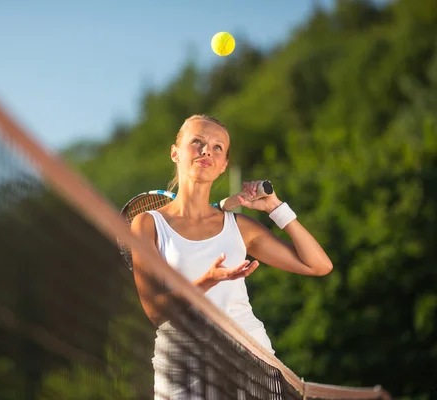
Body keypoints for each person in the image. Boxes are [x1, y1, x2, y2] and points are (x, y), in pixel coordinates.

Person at [129, 114, 333, 399]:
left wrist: (276, 208)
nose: (206, 151)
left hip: (248, 358)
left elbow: (319, 265)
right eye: (197, 142)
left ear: (223, 165)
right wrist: (207, 281)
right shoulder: (147, 224)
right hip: (182, 367)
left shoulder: (240, 227)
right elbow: (155, 311)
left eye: (217, 148)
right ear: (175, 153)